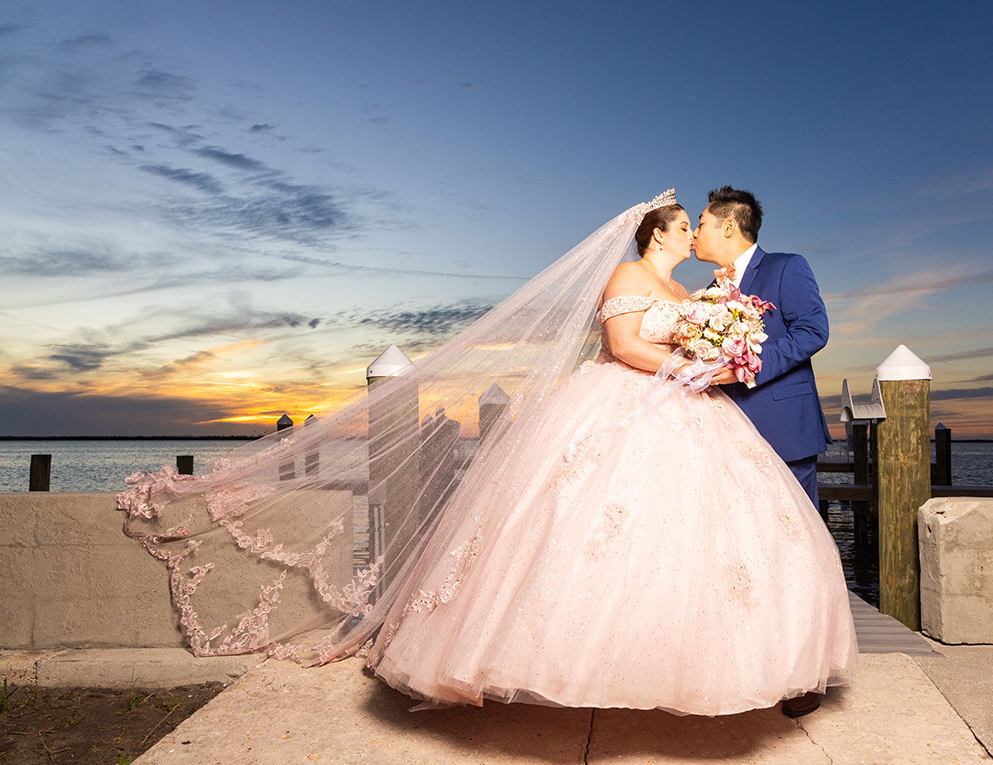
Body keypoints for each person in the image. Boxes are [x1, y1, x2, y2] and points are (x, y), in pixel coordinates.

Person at [117, 190, 855, 719]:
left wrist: (715, 353)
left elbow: (743, 332)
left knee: (719, 535)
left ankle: (745, 661)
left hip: (703, 408)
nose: (693, 229)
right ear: (655, 233)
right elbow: (623, 343)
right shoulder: (630, 277)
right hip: (637, 398)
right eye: (684, 223)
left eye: (701, 223)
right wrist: (684, 361)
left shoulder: (695, 283)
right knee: (590, 525)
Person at [692, 186, 835, 716]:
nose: (695, 232)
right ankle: (756, 663)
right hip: (726, 435)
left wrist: (746, 365)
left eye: (702, 222)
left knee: (801, 551)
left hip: (784, 428)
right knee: (743, 552)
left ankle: (809, 676)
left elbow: (812, 331)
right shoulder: (707, 291)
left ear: (730, 226)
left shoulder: (785, 267)